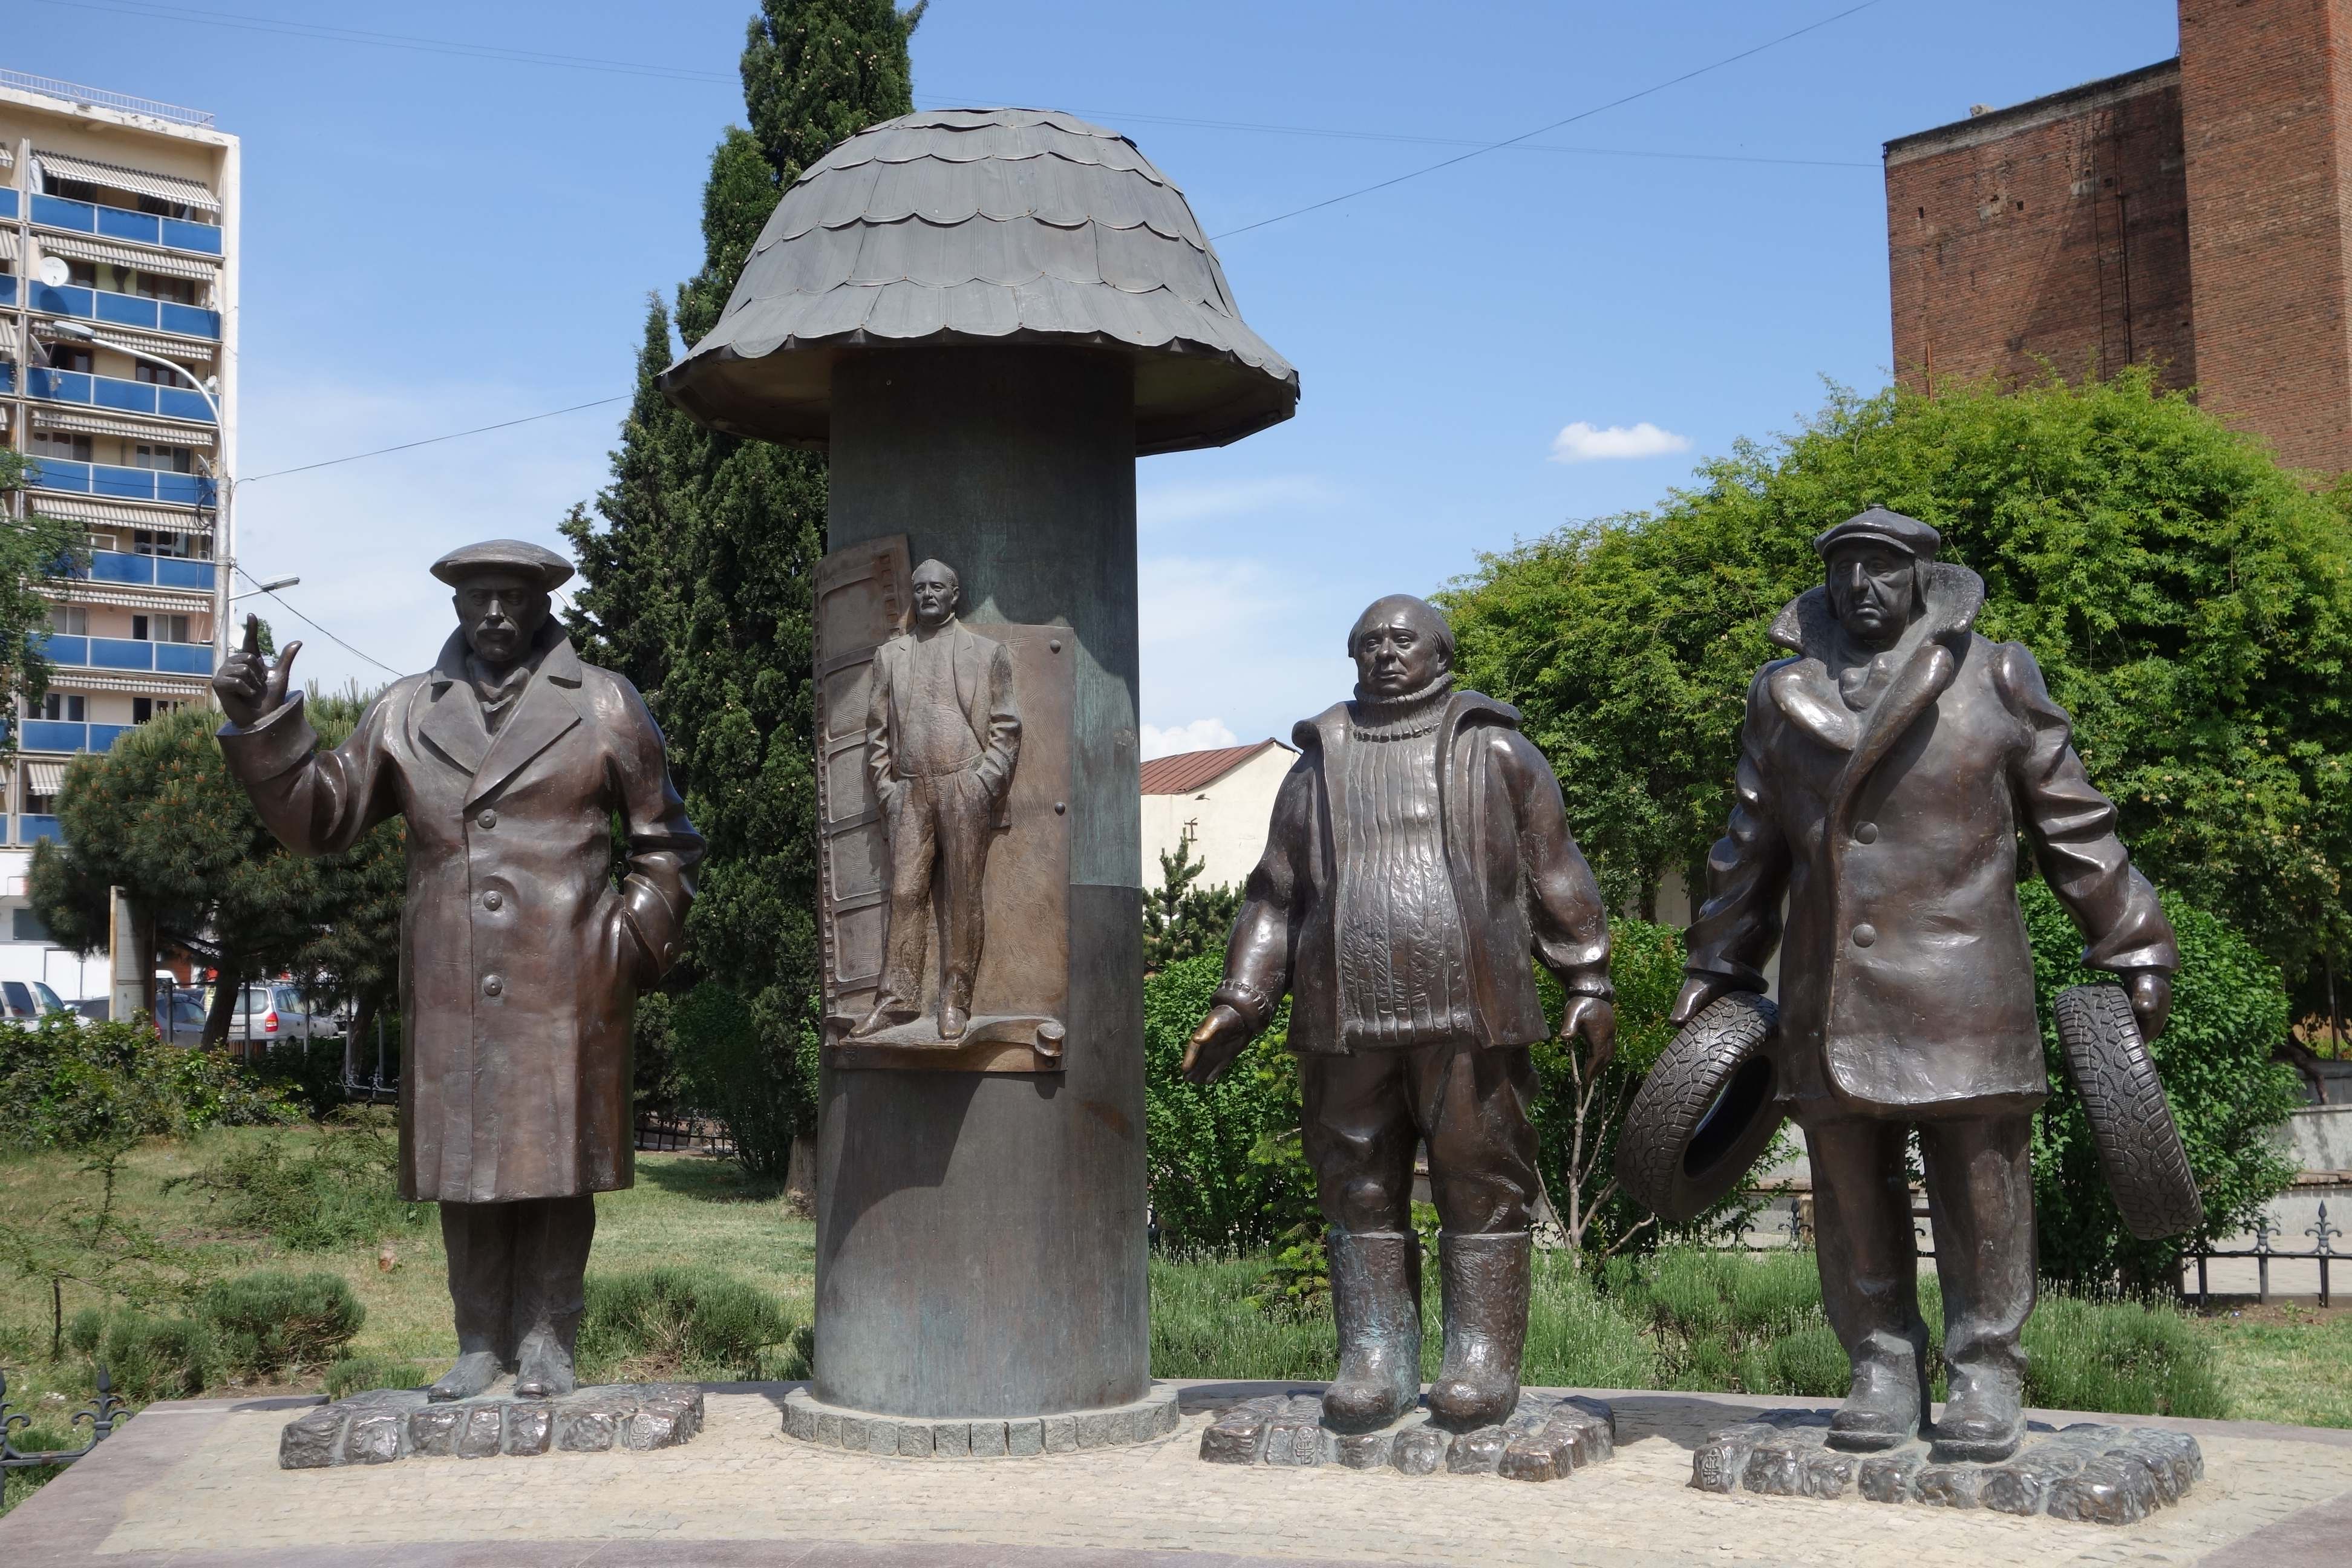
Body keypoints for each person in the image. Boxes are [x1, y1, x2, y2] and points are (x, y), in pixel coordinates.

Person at [1674, 506, 2178, 1462]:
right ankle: (1880, 1364)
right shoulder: (1780, 694)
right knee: (1851, 1183)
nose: (1861, 586)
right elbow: (1749, 846)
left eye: (1881, 568)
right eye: (1844, 570)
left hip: (1965, 984)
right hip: (1832, 989)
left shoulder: (1995, 674)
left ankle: (1987, 1365)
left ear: (1922, 579)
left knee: (1980, 1185)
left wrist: (2134, 943)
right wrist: (1717, 961)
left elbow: (2072, 824)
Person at [212, 539, 702, 1400]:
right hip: (452, 979)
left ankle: (550, 1338)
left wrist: (623, 947)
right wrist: (263, 729)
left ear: (543, 603)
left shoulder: (603, 704)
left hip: (568, 976)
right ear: (456, 606)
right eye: (479, 597)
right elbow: (323, 814)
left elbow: (667, 844)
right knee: (468, 1165)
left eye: (512, 597)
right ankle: (477, 1342)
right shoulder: (405, 712)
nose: (496, 614)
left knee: (556, 1164)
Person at [1184, 595, 1614, 1433]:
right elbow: (1275, 896)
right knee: (1356, 1181)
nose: (1385, 653)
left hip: (1469, 1012)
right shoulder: (1315, 766)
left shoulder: (1495, 750)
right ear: (1352, 658)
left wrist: (1588, 979)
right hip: (1343, 1014)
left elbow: (1553, 869)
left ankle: (1481, 1361)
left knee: (1481, 1178)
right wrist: (1240, 1000)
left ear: (1442, 653)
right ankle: (1374, 1358)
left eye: (1403, 639)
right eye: (1370, 642)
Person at [849, 558, 1020, 1042]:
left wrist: (985, 781)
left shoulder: (988, 654)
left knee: (962, 896)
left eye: (937, 587)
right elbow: (876, 732)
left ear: (954, 593)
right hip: (910, 791)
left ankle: (954, 999)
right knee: (905, 895)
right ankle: (897, 1001)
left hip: (965, 785)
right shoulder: (891, 656)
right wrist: (887, 789)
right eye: (920, 587)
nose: (928, 594)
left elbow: (1007, 726)